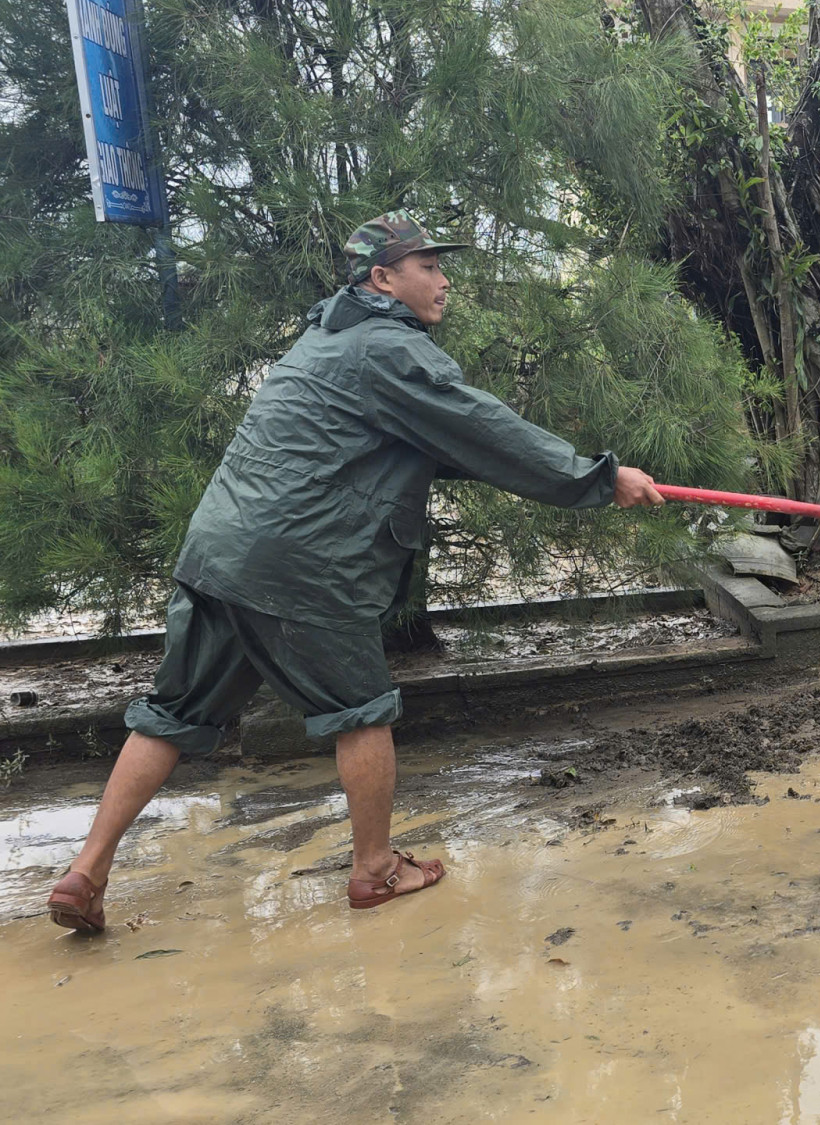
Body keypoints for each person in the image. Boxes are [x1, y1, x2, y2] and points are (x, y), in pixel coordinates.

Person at [45, 210, 668, 932]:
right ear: (382, 278)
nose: (443, 280)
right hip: (303, 565)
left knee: (172, 713)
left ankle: (86, 869)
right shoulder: (391, 350)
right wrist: (601, 478)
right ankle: (374, 870)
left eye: (441, 266)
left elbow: (444, 445)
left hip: (221, 552)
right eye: (427, 267)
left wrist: (585, 477)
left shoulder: (324, 341)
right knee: (363, 708)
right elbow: (485, 427)